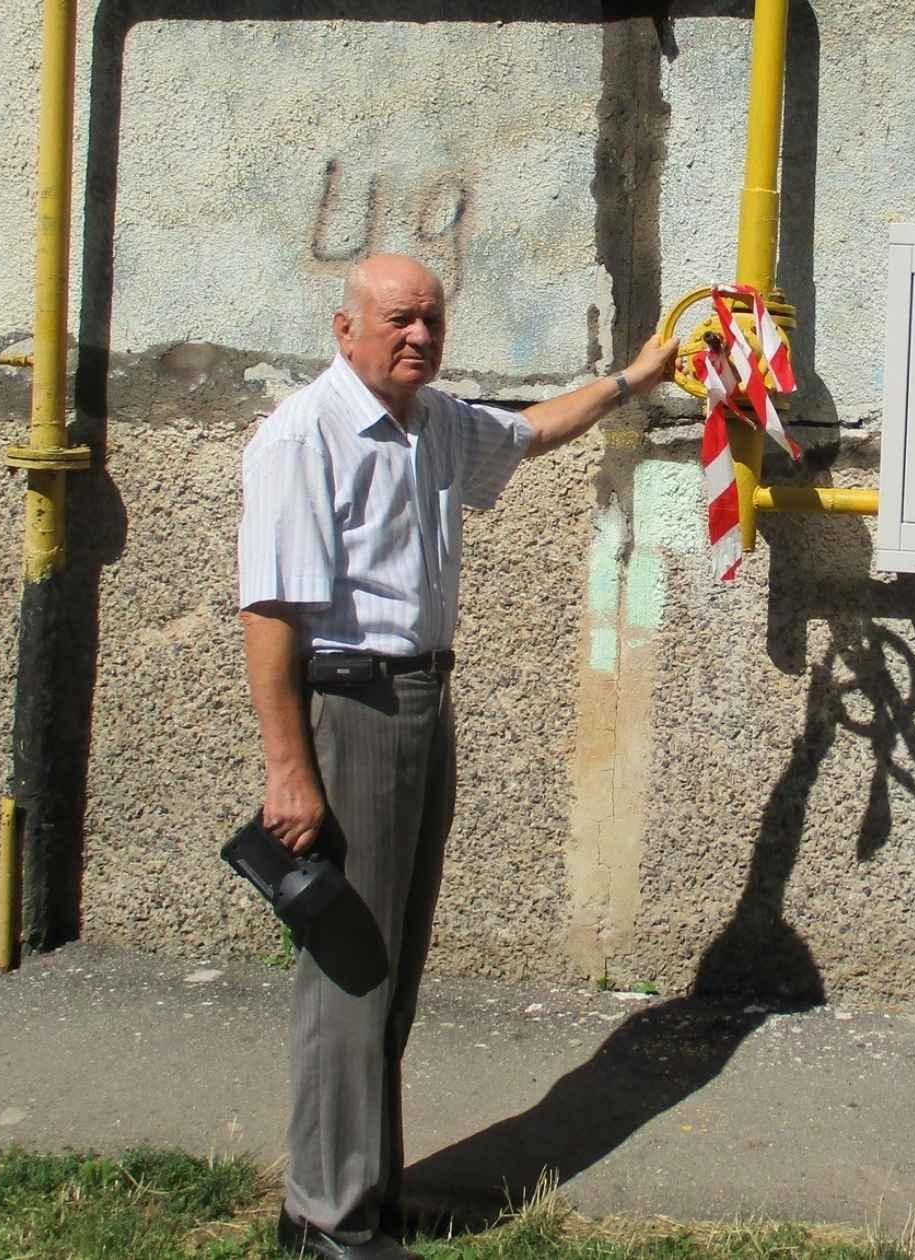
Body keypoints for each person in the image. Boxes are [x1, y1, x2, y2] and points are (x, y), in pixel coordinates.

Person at [237, 253, 676, 1260]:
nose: (419, 337)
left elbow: (527, 434)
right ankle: (326, 1218)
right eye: (397, 319)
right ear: (343, 329)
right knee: (349, 967)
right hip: (349, 708)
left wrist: (634, 378)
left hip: (420, 701)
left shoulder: (430, 423)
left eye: (432, 320)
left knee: (390, 966)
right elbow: (269, 614)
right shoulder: (304, 437)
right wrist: (288, 767)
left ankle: (365, 1189)